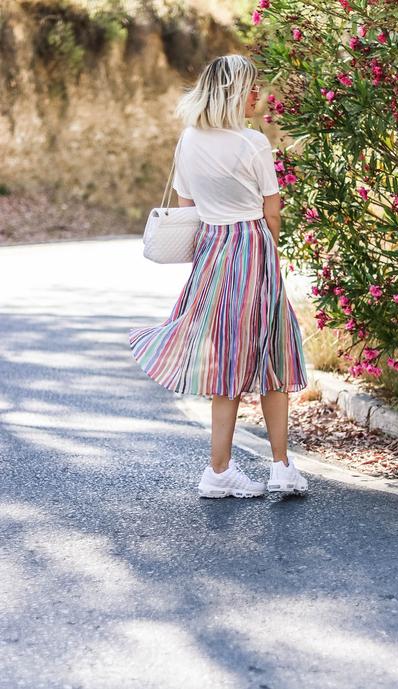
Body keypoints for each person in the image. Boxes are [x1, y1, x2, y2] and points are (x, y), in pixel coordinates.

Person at [129, 54, 309, 498]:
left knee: (225, 358)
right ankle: (280, 466)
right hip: (252, 246)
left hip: (211, 249)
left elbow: (188, 208)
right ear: (232, 92)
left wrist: (213, 251)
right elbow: (271, 210)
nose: (257, 95)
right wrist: (268, 257)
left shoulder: (188, 140)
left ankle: (219, 470)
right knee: (272, 352)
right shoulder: (253, 143)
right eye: (251, 87)